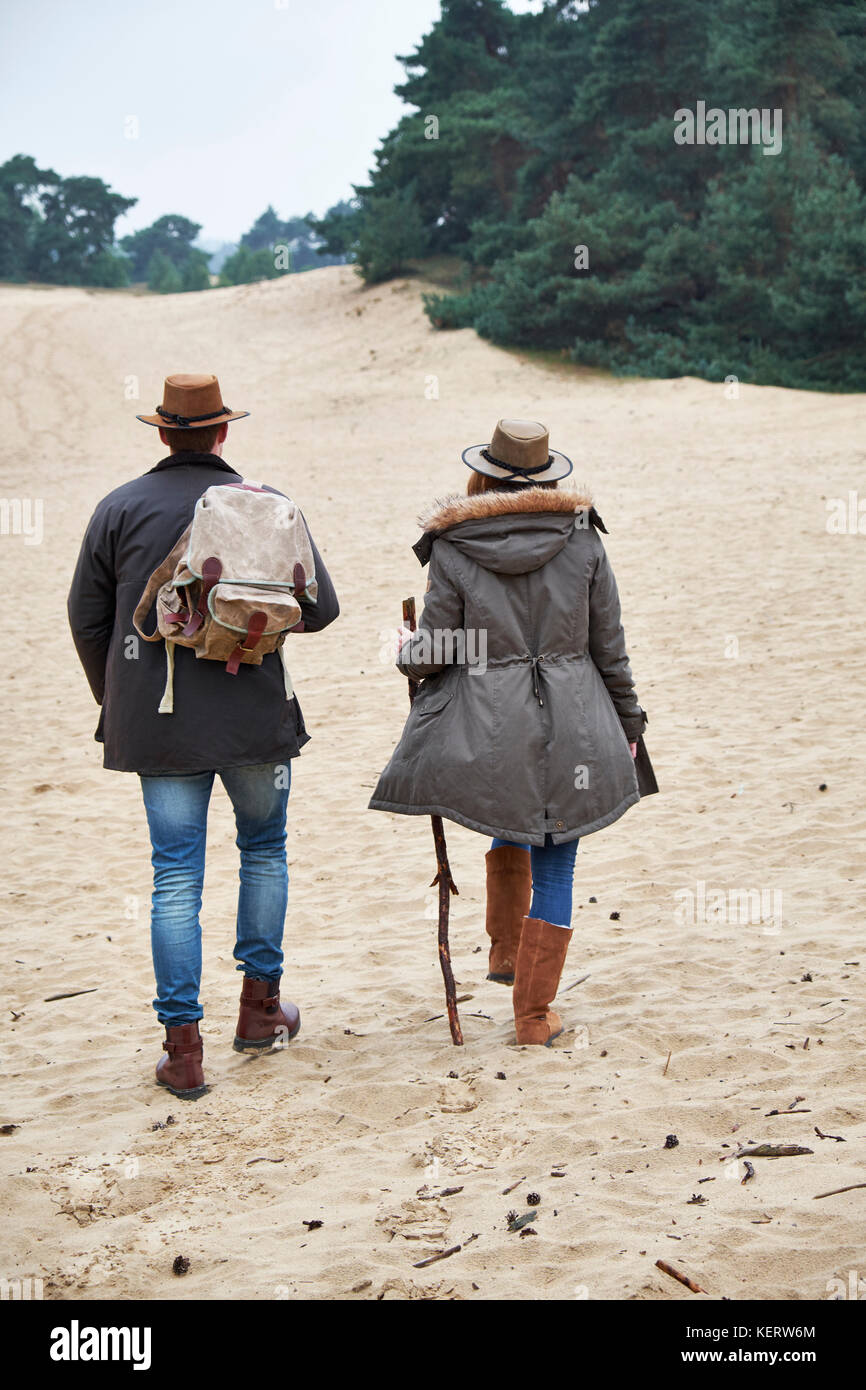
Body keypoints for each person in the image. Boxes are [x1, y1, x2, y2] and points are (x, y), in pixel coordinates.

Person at [67, 374, 339, 1097]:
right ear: (223, 433)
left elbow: (86, 618)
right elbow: (322, 610)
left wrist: (116, 697)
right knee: (264, 851)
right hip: (256, 717)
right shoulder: (270, 506)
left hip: (158, 724)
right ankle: (259, 1013)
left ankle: (183, 1052)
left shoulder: (117, 508)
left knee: (176, 876)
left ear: (161, 433)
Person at [369, 419, 656, 1046]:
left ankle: (505, 950)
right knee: (556, 862)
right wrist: (630, 724)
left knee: (510, 805)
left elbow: (437, 651)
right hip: (574, 720)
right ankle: (531, 1016)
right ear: (549, 475)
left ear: (483, 475)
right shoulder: (584, 541)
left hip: (491, 725)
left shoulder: (453, 545)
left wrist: (403, 649)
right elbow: (610, 650)